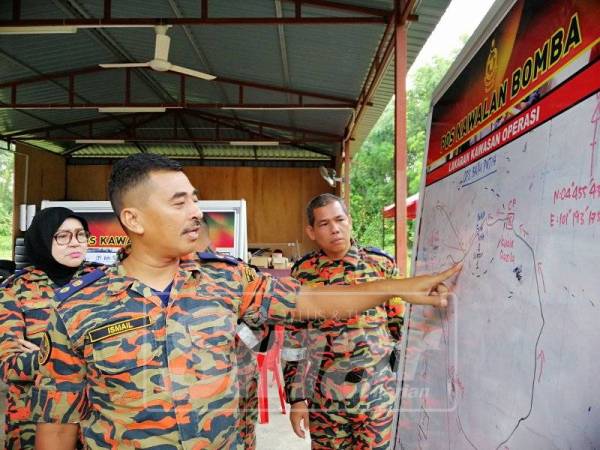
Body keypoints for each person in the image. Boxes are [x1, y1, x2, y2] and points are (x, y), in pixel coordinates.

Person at [32, 153, 460, 450]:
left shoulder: (227, 279)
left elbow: (311, 301)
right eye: (180, 202)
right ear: (133, 219)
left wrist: (399, 286)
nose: (196, 212)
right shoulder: (78, 309)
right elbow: (57, 421)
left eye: (196, 199)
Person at [283, 193, 408, 449]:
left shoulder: (381, 265)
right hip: (326, 401)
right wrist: (296, 399)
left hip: (377, 397)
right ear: (311, 231)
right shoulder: (302, 273)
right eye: (324, 223)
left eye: (339, 219)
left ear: (349, 221)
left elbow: (400, 326)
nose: (335, 229)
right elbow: (293, 340)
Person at [0, 207, 94, 450]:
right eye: (62, 236)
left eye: (80, 234)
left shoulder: (103, 282)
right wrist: (83, 355)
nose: (75, 243)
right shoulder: (14, 290)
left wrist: (44, 353)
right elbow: (9, 366)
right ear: (43, 239)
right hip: (34, 418)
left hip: (95, 417)